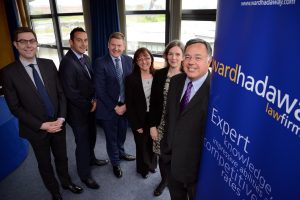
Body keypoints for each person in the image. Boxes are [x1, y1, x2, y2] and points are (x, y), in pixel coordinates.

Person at [1, 27, 82, 200]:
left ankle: (66, 182)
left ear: (36, 43)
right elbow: (15, 107)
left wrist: (61, 118)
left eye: (32, 41)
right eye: (23, 41)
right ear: (16, 45)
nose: (28, 45)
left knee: (62, 157)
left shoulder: (49, 64)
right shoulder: (8, 73)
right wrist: (42, 125)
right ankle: (54, 191)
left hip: (58, 123)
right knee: (44, 163)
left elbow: (61, 94)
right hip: (36, 129)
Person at [161, 38, 212, 200]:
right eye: (188, 57)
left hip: (197, 172)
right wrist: (165, 150)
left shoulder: (216, 91)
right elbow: (169, 117)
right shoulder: (176, 81)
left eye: (198, 57)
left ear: (209, 61)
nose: (191, 62)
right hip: (171, 162)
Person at [58, 27, 108, 190]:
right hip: (78, 113)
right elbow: (71, 93)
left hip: (89, 108)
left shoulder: (85, 58)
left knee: (92, 137)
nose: (83, 43)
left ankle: (91, 158)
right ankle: (85, 175)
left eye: (85, 40)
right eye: (79, 40)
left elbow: (91, 82)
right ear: (71, 42)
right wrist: (90, 105)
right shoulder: (67, 63)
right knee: (83, 143)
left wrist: (94, 99)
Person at [94, 32, 135, 178]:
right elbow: (100, 89)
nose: (116, 48)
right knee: (111, 138)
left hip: (125, 107)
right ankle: (115, 163)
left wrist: (126, 105)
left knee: (122, 133)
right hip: (108, 108)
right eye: (113, 45)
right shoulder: (100, 62)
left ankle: (122, 153)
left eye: (119, 45)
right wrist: (115, 107)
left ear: (124, 46)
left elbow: (132, 86)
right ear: (108, 45)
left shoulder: (129, 61)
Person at [149, 40, 184, 196]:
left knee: (176, 158)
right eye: (170, 54)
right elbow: (154, 102)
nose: (173, 57)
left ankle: (175, 182)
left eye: (177, 54)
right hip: (160, 123)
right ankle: (164, 181)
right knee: (162, 157)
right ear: (166, 55)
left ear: (183, 56)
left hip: (179, 126)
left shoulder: (187, 76)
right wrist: (152, 126)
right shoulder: (160, 74)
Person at [125, 47, 157, 179]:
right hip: (139, 118)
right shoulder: (130, 79)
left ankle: (151, 165)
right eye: (140, 59)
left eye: (147, 58)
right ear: (136, 62)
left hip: (154, 116)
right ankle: (142, 168)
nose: (144, 61)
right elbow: (130, 104)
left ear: (151, 59)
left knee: (153, 143)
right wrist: (135, 124)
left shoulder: (158, 76)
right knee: (141, 145)